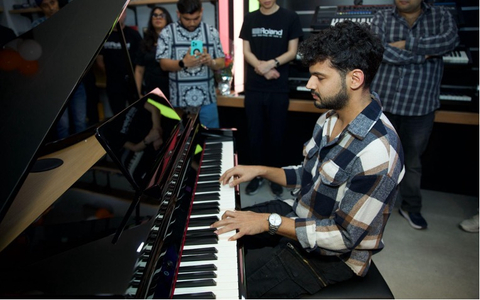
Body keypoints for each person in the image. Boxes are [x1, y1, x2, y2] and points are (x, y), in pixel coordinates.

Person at [212, 21, 405, 298]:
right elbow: (307, 174)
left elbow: (343, 237)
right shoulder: (329, 118)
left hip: (332, 260)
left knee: (226, 287)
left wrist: (268, 221)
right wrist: (261, 170)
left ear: (355, 79)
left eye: (320, 77)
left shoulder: (379, 153)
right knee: (221, 228)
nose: (309, 84)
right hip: (300, 214)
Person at [371, 0, 459, 230]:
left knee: (413, 162)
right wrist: (423, 53)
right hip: (385, 104)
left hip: (419, 106)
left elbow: (448, 41)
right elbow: (378, 48)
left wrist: (406, 44)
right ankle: (373, 206)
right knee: (376, 158)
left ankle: (410, 206)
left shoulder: (441, 15)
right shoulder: (381, 17)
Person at [240, 0, 303, 197]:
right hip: (254, 88)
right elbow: (246, 51)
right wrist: (262, 68)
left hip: (279, 88)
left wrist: (271, 64)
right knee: (255, 135)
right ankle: (256, 176)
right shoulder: (250, 18)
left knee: (277, 135)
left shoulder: (289, 17)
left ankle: (275, 177)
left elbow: (292, 52)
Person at [156, 0, 225, 128]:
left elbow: (221, 62)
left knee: (210, 139)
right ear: (178, 14)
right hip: (178, 101)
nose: (192, 23)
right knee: (179, 143)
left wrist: (211, 62)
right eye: (187, 19)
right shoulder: (167, 32)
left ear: (202, 11)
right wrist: (183, 63)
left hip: (207, 100)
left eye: (196, 18)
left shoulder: (211, 32)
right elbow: (163, 64)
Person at [32, 0, 87, 139]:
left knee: (80, 122)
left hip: (75, 80)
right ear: (40, 8)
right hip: (54, 85)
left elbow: (82, 49)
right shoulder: (38, 26)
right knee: (63, 126)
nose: (50, 8)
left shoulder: (71, 21)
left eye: (52, 2)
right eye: (45, 5)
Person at [96, 9, 142, 115]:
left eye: (120, 13)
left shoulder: (133, 34)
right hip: (113, 84)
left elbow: (141, 61)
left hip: (132, 83)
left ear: (124, 14)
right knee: (117, 114)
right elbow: (99, 61)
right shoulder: (104, 36)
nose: (118, 17)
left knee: (136, 113)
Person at [134, 6, 173, 99]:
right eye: (154, 15)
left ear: (167, 18)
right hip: (152, 90)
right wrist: (137, 93)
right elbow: (139, 70)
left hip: (172, 90)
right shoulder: (145, 42)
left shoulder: (175, 40)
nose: (158, 18)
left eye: (161, 15)